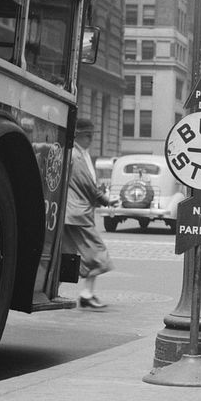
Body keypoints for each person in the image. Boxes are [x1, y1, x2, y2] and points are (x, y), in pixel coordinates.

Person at [63, 117, 119, 309]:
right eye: (88, 135)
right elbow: (86, 184)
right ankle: (86, 293)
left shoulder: (77, 153)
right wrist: (106, 199)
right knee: (99, 256)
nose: (91, 139)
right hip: (78, 215)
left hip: (72, 214)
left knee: (68, 255)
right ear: (78, 135)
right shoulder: (76, 156)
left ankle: (81, 292)